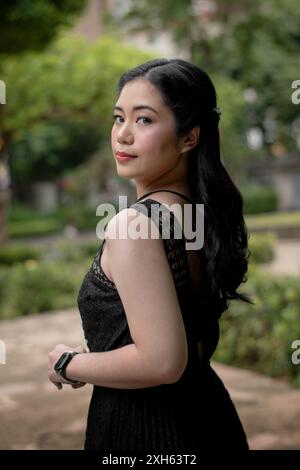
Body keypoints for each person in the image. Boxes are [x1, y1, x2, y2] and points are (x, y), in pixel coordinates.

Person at [48, 58, 252, 454]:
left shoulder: (133, 226)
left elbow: (161, 361)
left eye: (144, 120)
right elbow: (173, 337)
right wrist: (103, 356)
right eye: (118, 117)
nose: (122, 135)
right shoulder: (197, 214)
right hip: (209, 420)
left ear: (189, 137)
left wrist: (67, 363)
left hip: (149, 432)